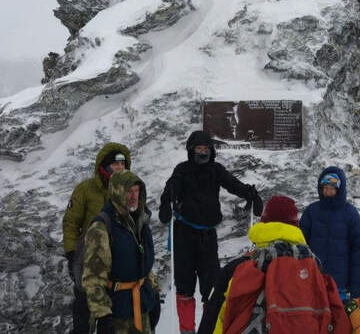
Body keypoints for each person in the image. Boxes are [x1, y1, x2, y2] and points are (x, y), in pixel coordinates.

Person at [158, 130, 263, 334]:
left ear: (211, 151)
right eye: (199, 148)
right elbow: (171, 188)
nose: (203, 152)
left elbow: (233, 184)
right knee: (185, 288)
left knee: (212, 289)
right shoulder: (182, 170)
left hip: (208, 236)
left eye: (206, 148)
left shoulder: (215, 170)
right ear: (191, 150)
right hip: (184, 235)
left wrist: (251, 194)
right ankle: (187, 331)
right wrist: (165, 202)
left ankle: (210, 329)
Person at [199, 195, 349, 334]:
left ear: (264, 223)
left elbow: (211, 321)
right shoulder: (315, 267)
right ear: (296, 227)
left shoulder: (239, 267)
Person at [63, 142, 131, 334]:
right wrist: (71, 253)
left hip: (118, 262)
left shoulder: (129, 191)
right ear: (104, 166)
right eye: (115, 163)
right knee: (84, 314)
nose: (119, 167)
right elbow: (70, 222)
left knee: (111, 318)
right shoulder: (85, 189)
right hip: (88, 259)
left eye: (122, 164)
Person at [82, 170, 159, 333]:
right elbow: (93, 277)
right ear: (117, 192)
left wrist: (154, 291)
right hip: (117, 315)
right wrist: (103, 315)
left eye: (136, 190)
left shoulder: (141, 221)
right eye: (128, 191)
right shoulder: (102, 228)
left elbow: (143, 265)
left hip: (142, 307)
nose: (133, 196)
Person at [300, 165, 360, 300]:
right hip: (313, 281)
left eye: (332, 188)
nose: (328, 192)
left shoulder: (350, 213)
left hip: (340, 285)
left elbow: (359, 252)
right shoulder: (312, 211)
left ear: (339, 189)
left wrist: (358, 293)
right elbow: (301, 245)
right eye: (325, 188)